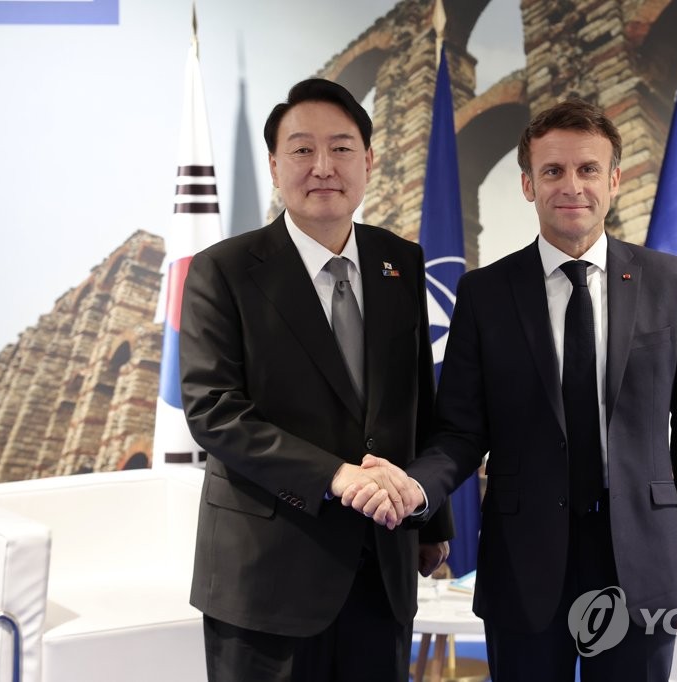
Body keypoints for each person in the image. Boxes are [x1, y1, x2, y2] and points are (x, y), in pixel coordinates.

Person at [353, 99, 677, 681]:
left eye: (588, 169)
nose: (571, 186)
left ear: (615, 180)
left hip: (642, 557)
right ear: (528, 184)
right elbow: (460, 432)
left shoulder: (670, 281)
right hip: (524, 561)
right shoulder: (485, 293)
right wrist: (415, 488)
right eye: (552, 171)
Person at [178, 78, 453, 682]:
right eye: (302, 150)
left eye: (342, 148)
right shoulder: (223, 271)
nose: (323, 166)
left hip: (382, 567)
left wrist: (428, 525)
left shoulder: (399, 262)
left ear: (369, 162)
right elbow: (215, 411)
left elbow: (417, 402)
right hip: (266, 579)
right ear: (275, 166)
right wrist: (334, 476)